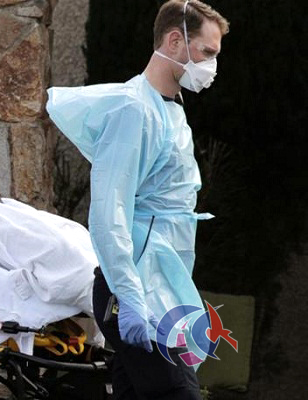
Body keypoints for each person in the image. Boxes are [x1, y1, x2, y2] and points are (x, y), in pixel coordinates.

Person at [47, 0, 229, 398]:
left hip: (157, 287)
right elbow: (108, 212)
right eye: (207, 52)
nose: (212, 66)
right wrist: (130, 297)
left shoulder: (169, 110)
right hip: (136, 292)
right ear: (175, 40)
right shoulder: (135, 110)